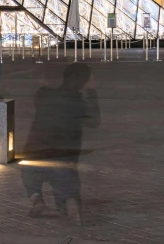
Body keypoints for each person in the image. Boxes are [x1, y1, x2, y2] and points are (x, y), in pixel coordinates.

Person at [21, 62, 100, 225]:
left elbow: (42, 87)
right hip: (63, 152)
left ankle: (36, 199)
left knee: (29, 175)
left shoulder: (43, 95)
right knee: (66, 180)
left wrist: (44, 84)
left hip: (34, 150)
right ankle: (69, 203)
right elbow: (94, 121)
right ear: (83, 82)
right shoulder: (79, 103)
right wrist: (92, 91)